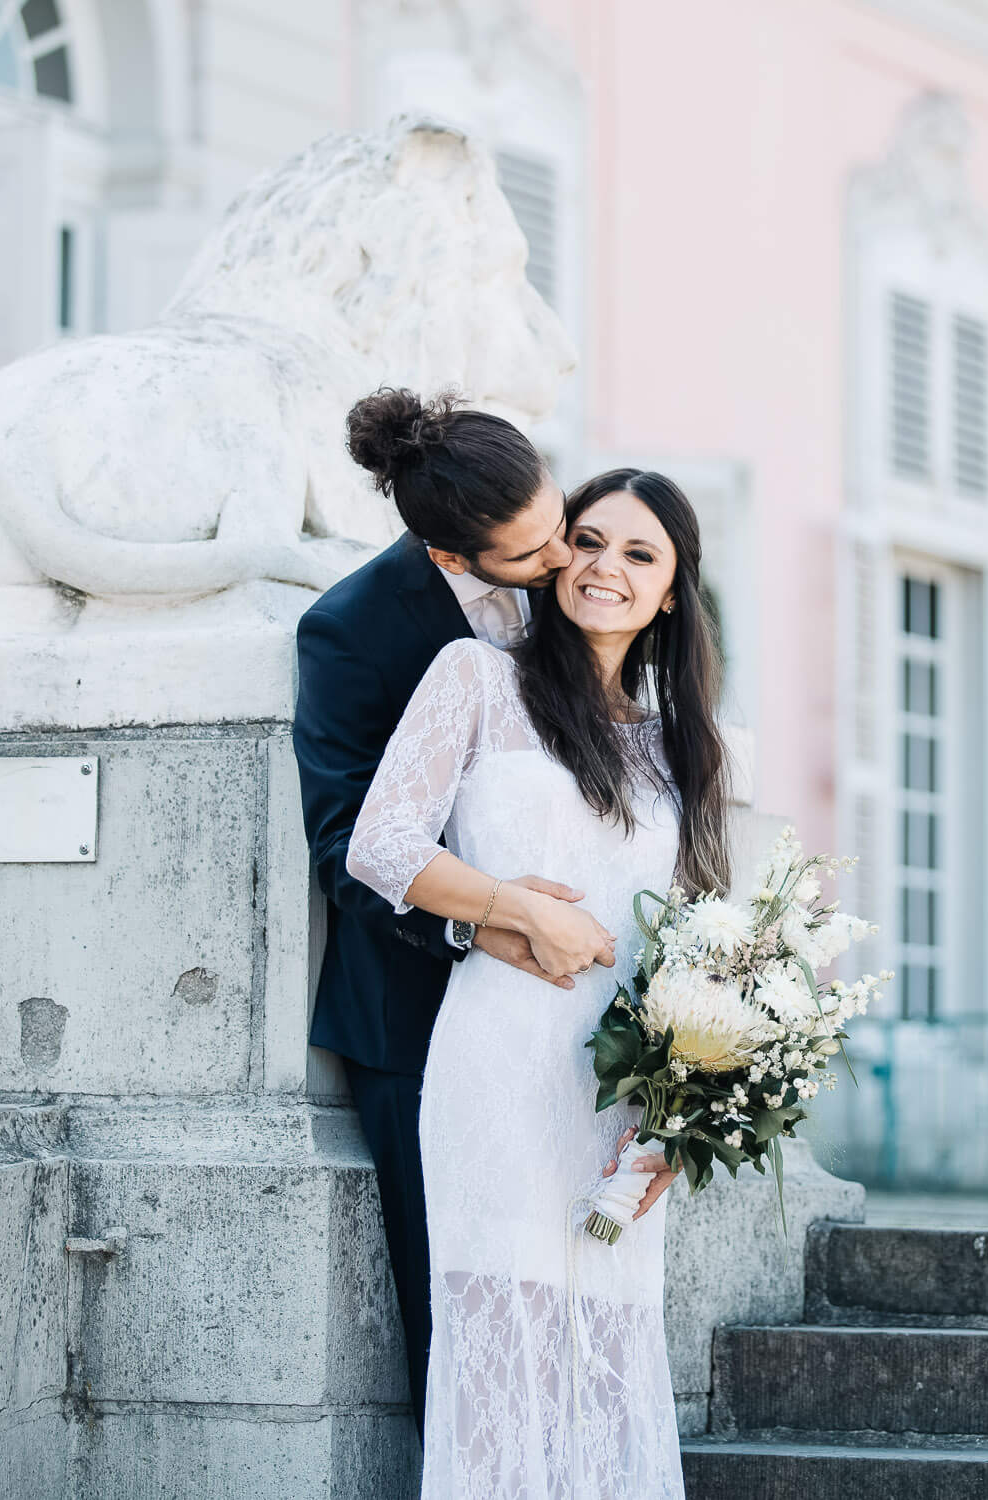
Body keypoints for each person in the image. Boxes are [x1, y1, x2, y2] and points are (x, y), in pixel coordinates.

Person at [346, 438, 725, 1496]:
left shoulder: (680, 747)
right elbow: (379, 845)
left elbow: (700, 945)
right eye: (588, 541)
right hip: (500, 1058)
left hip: (622, 1088)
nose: (604, 565)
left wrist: (683, 1115)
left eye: (639, 556)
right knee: (501, 1328)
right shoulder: (477, 676)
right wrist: (509, 907)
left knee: (606, 1343)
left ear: (668, 593)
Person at [294, 387, 608, 1430]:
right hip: (414, 1016)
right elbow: (347, 847)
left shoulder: (572, 576)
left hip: (561, 1015)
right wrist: (489, 922)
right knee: (460, 1311)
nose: (566, 560)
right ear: (450, 558)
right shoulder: (348, 633)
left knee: (567, 1292)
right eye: (532, 554)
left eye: (560, 524)